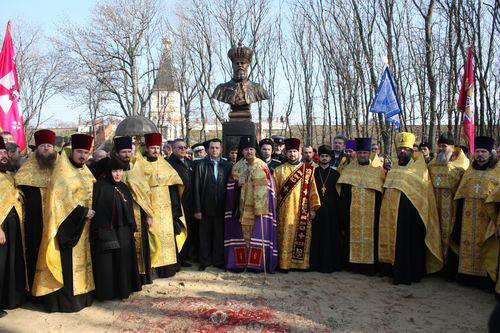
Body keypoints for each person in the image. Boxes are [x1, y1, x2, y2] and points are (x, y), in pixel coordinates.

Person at [32, 134, 96, 312]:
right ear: (71, 151)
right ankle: (66, 303)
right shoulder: (62, 173)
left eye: (86, 152)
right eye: (79, 152)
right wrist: (83, 213)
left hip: (85, 229)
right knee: (67, 265)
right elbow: (59, 202)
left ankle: (83, 298)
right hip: (67, 228)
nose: (83, 156)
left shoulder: (86, 171)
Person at [378, 132, 443, 285]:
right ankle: (393, 270)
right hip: (392, 215)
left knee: (408, 244)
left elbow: (424, 195)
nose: (402, 152)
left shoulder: (420, 170)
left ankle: (410, 274)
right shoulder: (393, 169)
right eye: (400, 149)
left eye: (406, 149)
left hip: (411, 216)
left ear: (412, 151)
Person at [128, 133, 186, 279]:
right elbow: (136, 188)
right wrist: (146, 212)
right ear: (146, 148)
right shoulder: (137, 164)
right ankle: (152, 271)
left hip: (166, 211)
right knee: (152, 240)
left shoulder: (165, 164)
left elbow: (174, 187)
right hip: (150, 209)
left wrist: (175, 210)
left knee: (167, 239)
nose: (155, 150)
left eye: (157, 147)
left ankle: (168, 269)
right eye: (152, 148)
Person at [224, 135, 278, 273]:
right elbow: (230, 186)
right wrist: (237, 183)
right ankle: (241, 264)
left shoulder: (262, 165)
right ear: (242, 151)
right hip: (241, 208)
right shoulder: (236, 167)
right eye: (246, 149)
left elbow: (270, 187)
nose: (249, 152)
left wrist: (257, 182)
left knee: (257, 235)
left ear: (255, 150)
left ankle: (257, 265)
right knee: (241, 235)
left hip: (258, 209)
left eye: (251, 149)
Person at [451, 136, 499, 290]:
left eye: (483, 151)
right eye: (477, 151)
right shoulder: (469, 171)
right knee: (467, 244)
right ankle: (466, 276)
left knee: (485, 244)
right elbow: (459, 192)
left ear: (490, 153)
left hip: (487, 217)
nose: (480, 154)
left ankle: (485, 280)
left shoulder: (497, 171)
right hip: (467, 216)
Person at [91, 157, 141, 301]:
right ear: (108, 172)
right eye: (114, 171)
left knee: (125, 260)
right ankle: (111, 292)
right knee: (111, 264)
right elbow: (100, 212)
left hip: (124, 231)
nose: (118, 174)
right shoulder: (101, 187)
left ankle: (126, 287)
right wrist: (104, 233)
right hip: (109, 232)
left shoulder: (123, 187)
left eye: (120, 171)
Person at [15, 129, 58, 294]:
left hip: (56, 222)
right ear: (36, 149)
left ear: (54, 149)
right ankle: (35, 292)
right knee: (34, 253)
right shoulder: (26, 170)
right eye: (42, 146)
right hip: (34, 224)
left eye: (49, 145)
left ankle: (53, 292)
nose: (46, 148)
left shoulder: (61, 169)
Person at [338, 138, 386, 275]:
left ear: (370, 153)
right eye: (360, 153)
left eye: (365, 153)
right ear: (356, 153)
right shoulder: (348, 170)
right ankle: (352, 265)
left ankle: (370, 267)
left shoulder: (377, 171)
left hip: (372, 216)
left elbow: (381, 195)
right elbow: (344, 195)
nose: (362, 155)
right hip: (352, 214)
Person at [273, 138, 321, 271]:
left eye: (294, 151)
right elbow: (274, 193)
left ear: (299, 152)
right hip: (283, 211)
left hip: (302, 211)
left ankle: (300, 264)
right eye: (289, 151)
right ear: (285, 152)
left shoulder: (308, 170)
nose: (292, 154)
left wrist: (313, 208)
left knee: (301, 237)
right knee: (283, 236)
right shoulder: (278, 170)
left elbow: (313, 190)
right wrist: (273, 210)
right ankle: (284, 264)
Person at [427, 132, 469, 275]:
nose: (440, 149)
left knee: (451, 235)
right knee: (435, 234)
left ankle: (450, 270)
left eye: (444, 146)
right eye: (439, 146)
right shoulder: (432, 164)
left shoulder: (462, 165)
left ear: (452, 147)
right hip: (434, 207)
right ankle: (436, 267)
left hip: (453, 208)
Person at [194, 138, 231, 271]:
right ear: (208, 150)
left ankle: (218, 260)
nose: (214, 150)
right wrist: (197, 209)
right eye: (212, 148)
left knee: (219, 235)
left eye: (217, 148)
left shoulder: (227, 165)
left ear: (221, 149)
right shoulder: (200, 165)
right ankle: (204, 261)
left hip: (221, 207)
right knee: (204, 235)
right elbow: (196, 188)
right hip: (205, 207)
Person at [0, 137, 25, 317]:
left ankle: (10, 299)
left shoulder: (8, 174)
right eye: (0, 153)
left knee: (11, 261)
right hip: (1, 226)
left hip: (13, 225)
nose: (3, 156)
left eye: (4, 152)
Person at [212, 43, 269, 118]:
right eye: (237, 63)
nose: (240, 65)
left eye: (243, 63)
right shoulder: (221, 89)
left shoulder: (258, 89)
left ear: (248, 65)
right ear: (233, 65)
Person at [309, 144, 342, 273]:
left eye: (326, 156)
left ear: (330, 158)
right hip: (317, 210)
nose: (324, 158)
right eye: (322, 156)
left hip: (331, 211)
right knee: (317, 237)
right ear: (319, 158)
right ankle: (315, 264)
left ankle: (330, 264)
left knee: (330, 237)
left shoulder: (335, 174)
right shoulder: (312, 172)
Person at [168, 138, 197, 267]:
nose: (183, 149)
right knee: (178, 232)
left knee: (189, 231)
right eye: (180, 147)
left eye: (185, 147)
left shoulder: (191, 163)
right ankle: (179, 258)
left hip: (190, 204)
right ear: (173, 149)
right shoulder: (168, 164)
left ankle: (187, 256)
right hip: (177, 204)